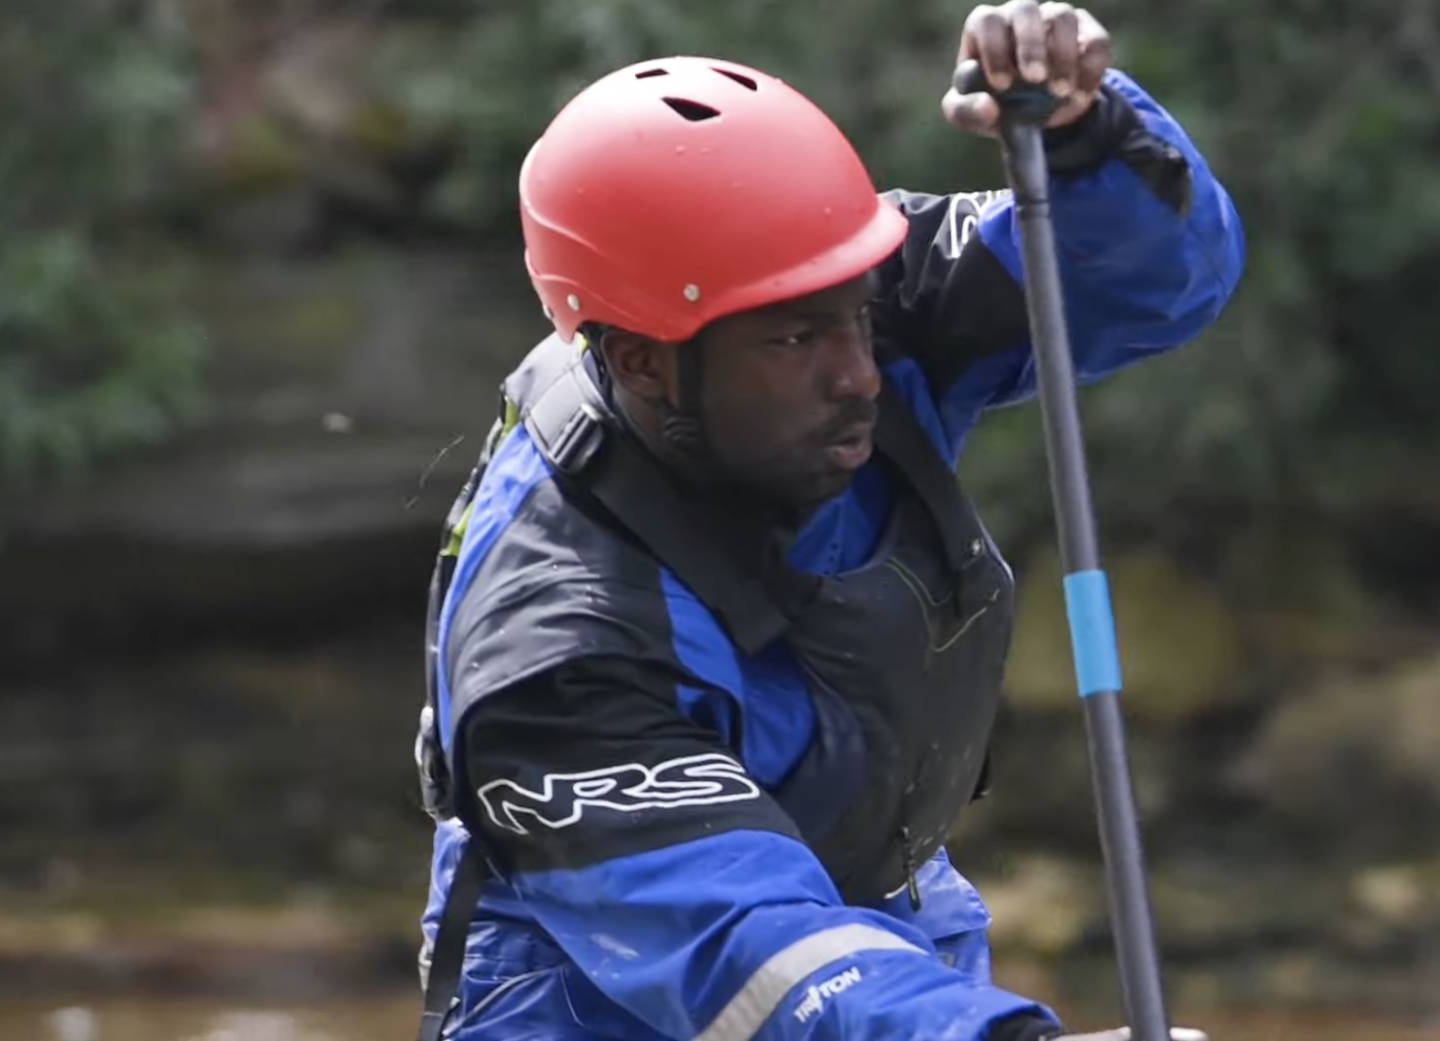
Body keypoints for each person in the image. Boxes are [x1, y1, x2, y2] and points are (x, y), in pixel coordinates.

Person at [412, 2, 1244, 1039]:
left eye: (856, 312)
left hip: (883, 946)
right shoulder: (555, 643)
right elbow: (752, 951)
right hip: (618, 997)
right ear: (641, 362)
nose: (860, 373)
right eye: (797, 341)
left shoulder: (834, 292)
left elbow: (1155, 281)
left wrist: (1086, 136)